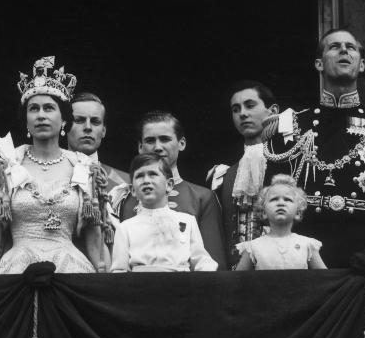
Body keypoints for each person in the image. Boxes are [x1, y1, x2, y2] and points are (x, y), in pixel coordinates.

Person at [262, 29, 365, 268]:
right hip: (300, 255)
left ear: (361, 65)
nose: (344, 50)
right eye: (334, 46)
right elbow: (272, 199)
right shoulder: (290, 125)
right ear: (319, 63)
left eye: (350, 47)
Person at [0, 56, 110, 274]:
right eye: (34, 109)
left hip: (71, 271)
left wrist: (103, 280)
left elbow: (94, 236)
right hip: (17, 271)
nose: (41, 115)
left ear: (64, 120)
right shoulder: (8, 167)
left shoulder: (82, 168)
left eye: (49, 108)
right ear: (25, 120)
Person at [111, 111, 227, 269]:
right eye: (150, 140)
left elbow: (212, 260)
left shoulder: (202, 197)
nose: (158, 147)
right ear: (140, 147)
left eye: (165, 139)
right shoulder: (125, 199)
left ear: (182, 143)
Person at [209, 80, 279, 266]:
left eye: (250, 105)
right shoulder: (223, 175)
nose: (243, 114)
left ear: (272, 111)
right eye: (236, 109)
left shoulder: (291, 165)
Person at [110, 153, 217, 272]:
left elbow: (201, 259)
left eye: (153, 174)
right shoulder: (125, 228)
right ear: (132, 190)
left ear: (169, 185)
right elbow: (119, 271)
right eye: (140, 176)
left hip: (182, 286)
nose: (146, 181)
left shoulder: (187, 221)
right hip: (140, 287)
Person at [235, 174, 326, 270]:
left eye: (287, 199)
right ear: (264, 212)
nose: (281, 203)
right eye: (274, 199)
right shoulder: (252, 247)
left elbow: (326, 278)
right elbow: (237, 280)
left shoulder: (307, 244)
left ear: (298, 213)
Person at [68, 92, 129, 192]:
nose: (88, 127)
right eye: (79, 120)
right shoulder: (46, 176)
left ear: (103, 131)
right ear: (65, 126)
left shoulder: (125, 184)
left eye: (95, 122)